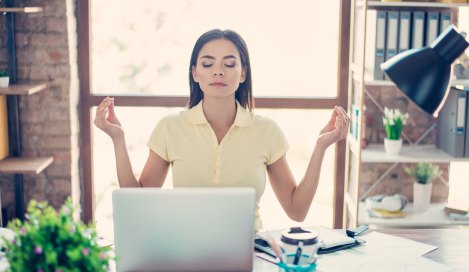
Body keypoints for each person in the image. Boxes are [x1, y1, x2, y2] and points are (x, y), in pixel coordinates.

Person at [94, 29, 349, 231]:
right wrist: (118, 139)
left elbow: (297, 210)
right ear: (194, 73)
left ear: (242, 73)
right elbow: (139, 205)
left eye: (229, 64)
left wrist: (320, 147)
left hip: (249, 253)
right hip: (184, 248)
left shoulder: (266, 131)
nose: (218, 70)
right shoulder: (170, 128)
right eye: (207, 64)